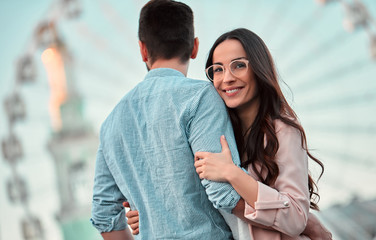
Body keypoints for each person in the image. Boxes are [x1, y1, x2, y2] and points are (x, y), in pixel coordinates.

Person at [125, 28, 333, 239]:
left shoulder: (282, 130)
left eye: (239, 65)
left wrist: (232, 173)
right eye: (218, 69)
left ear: (259, 68)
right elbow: (195, 197)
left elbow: (296, 218)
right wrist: (149, 213)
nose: (227, 78)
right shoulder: (208, 132)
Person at [90, 0, 244, 239]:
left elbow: (104, 216)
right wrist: (296, 219)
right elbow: (224, 194)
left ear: (143, 50)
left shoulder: (111, 123)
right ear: (194, 47)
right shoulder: (201, 97)